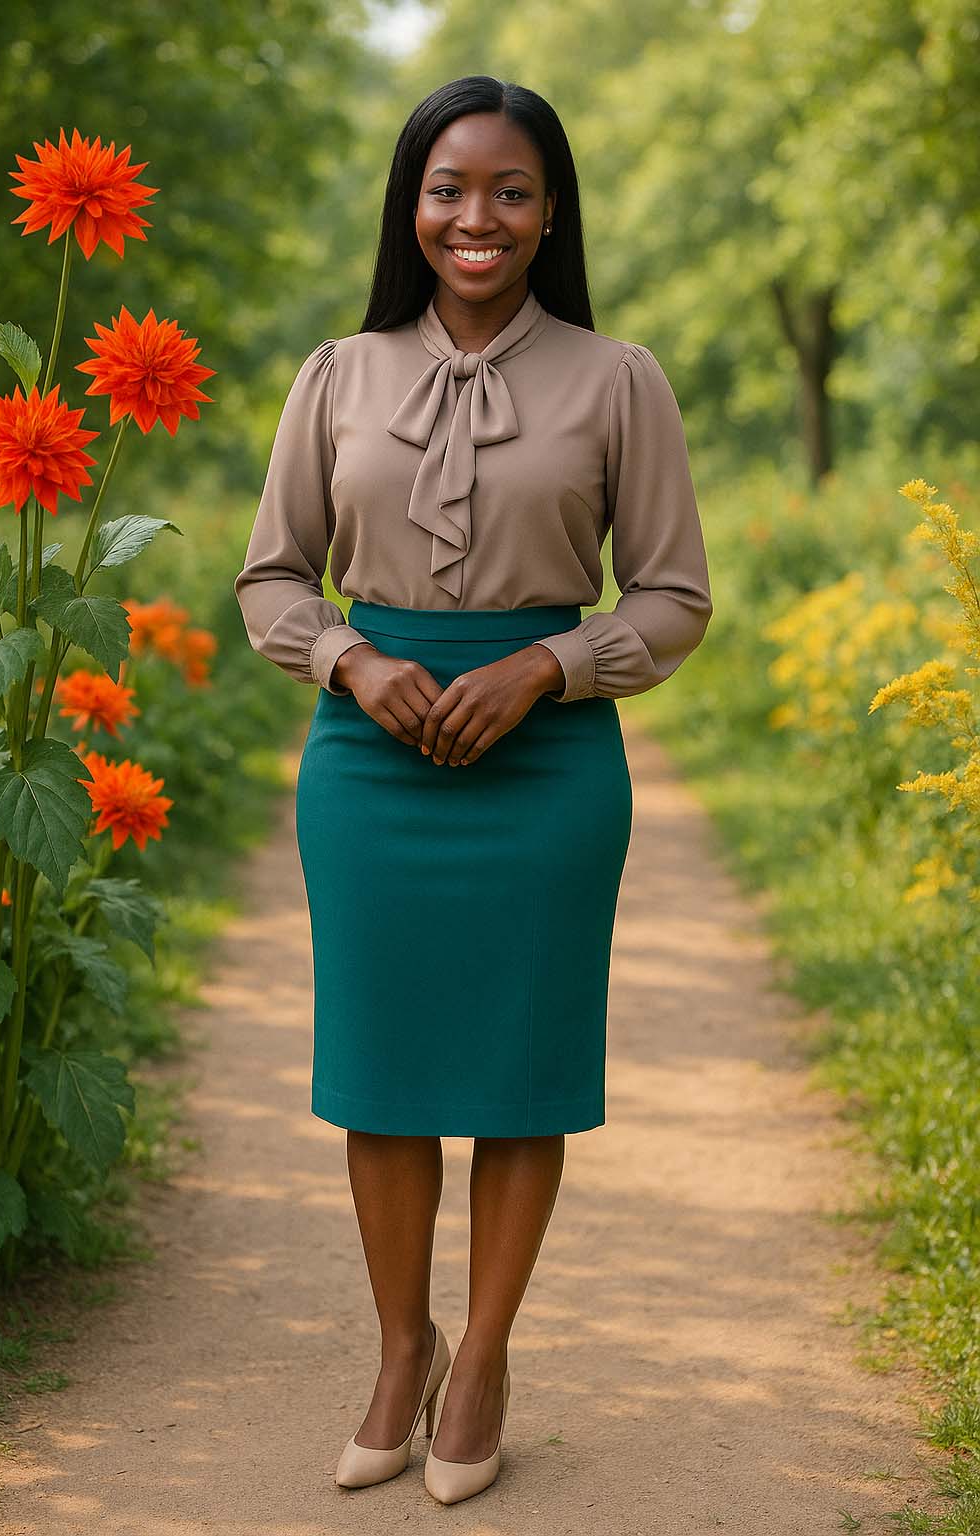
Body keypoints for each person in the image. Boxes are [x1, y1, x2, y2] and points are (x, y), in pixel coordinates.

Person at [234, 74, 713, 1506]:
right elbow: (270, 576)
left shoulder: (620, 379)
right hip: (369, 762)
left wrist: (549, 669)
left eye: (509, 190)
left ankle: (487, 1356)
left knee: (519, 1077)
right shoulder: (337, 374)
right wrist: (349, 661)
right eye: (450, 189)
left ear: (551, 209)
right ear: (413, 205)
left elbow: (677, 597)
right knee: (378, 1077)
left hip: (551, 765)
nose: (477, 217)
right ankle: (401, 1347)